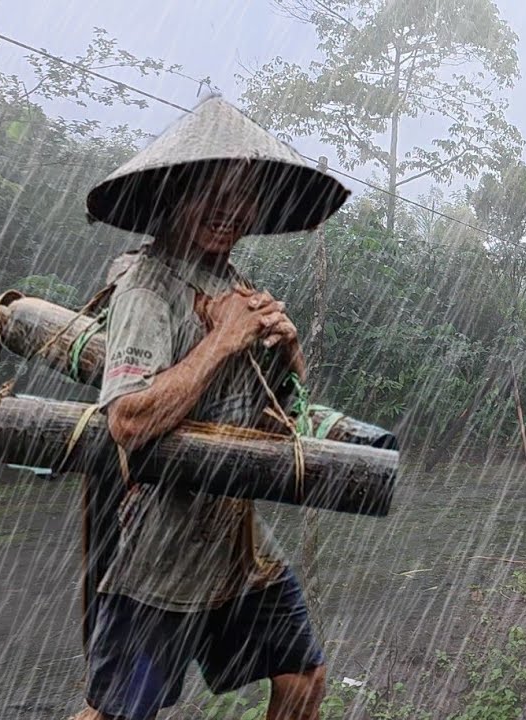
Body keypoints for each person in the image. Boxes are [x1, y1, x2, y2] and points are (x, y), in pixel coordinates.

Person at [75, 98, 348, 720]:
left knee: (303, 676)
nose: (229, 210)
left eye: (244, 195)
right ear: (173, 196)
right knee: (116, 712)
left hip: (234, 536)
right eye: (210, 192)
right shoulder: (146, 290)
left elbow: (281, 418)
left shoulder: (237, 287)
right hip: (160, 548)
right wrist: (223, 340)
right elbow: (128, 420)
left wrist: (288, 346)